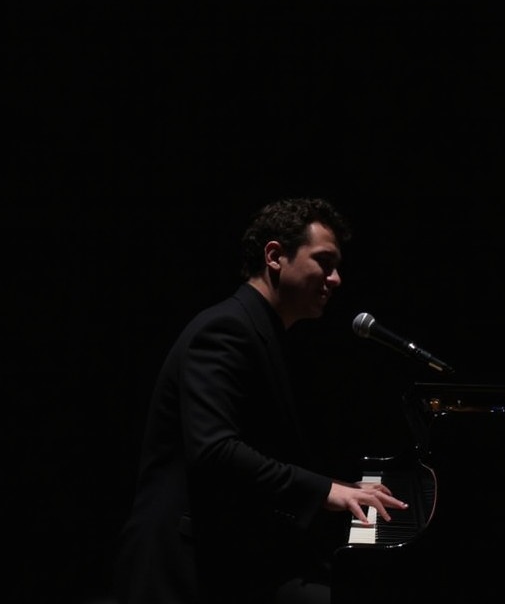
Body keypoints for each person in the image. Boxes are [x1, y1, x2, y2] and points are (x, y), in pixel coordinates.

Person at [113, 196, 408, 604]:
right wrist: (326, 492)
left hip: (234, 557)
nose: (336, 278)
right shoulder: (226, 330)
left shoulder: (261, 331)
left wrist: (337, 486)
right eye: (324, 261)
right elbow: (215, 451)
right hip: (186, 566)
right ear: (275, 256)